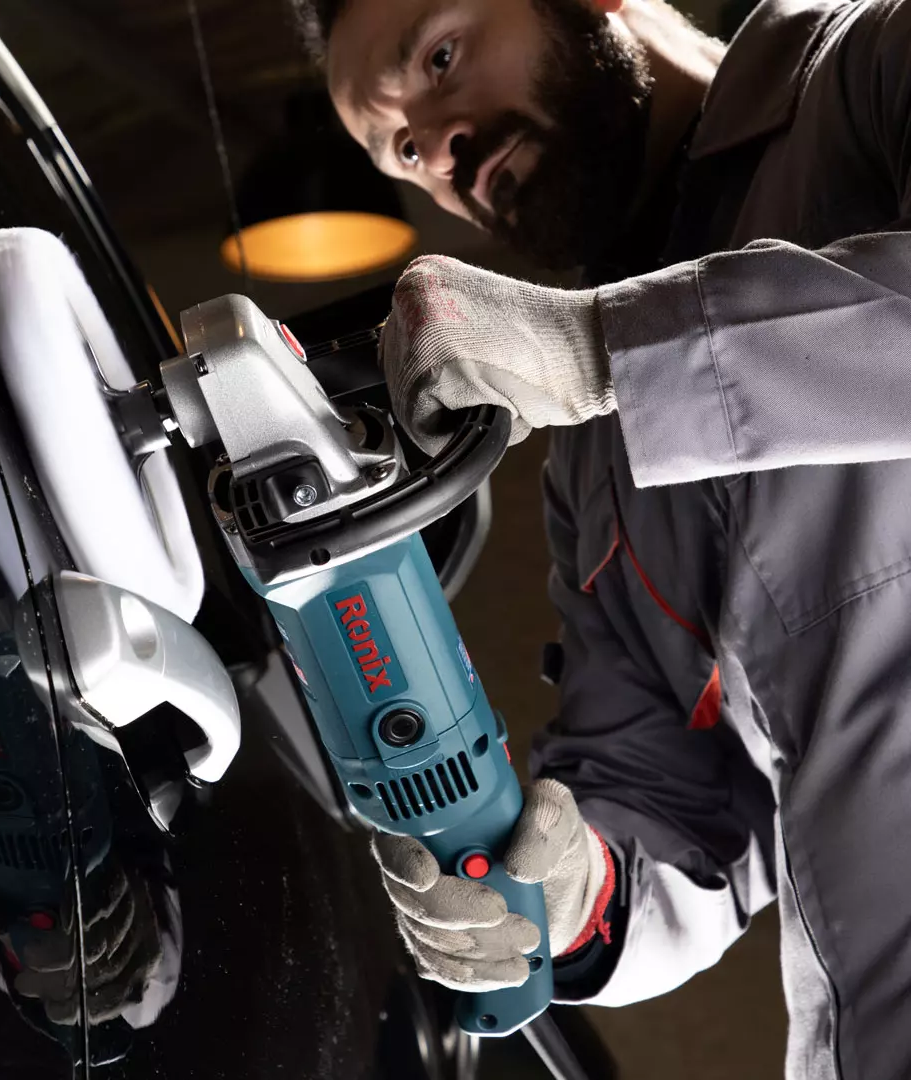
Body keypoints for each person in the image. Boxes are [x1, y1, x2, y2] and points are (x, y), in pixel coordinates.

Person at [289, 0, 911, 1076]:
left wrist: (606, 350)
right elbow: (676, 800)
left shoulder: (875, 63)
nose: (440, 147)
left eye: (440, 56)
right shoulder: (593, 460)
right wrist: (572, 892)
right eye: (402, 150)